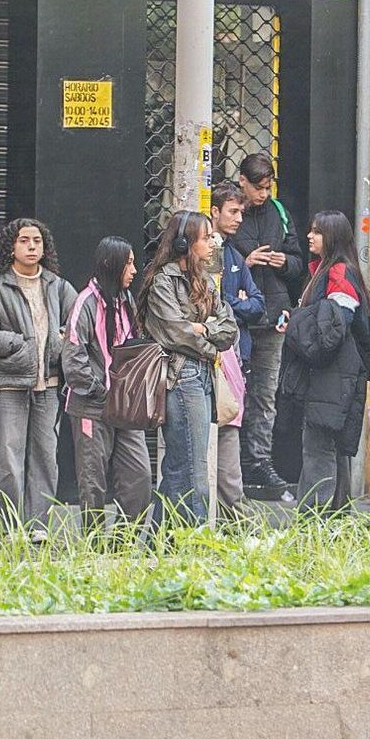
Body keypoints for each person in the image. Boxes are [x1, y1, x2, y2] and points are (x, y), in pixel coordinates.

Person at [0, 218, 77, 542]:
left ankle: (37, 526)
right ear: (12, 246)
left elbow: (78, 326)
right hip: (9, 384)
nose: (32, 246)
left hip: (48, 385)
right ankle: (7, 528)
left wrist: (60, 342)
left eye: (37, 240)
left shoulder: (57, 285)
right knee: (8, 457)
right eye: (24, 240)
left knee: (45, 457)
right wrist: (20, 344)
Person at [140, 211, 238, 526]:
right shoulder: (162, 281)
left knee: (178, 468)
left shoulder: (206, 280)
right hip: (182, 377)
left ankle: (159, 543)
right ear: (185, 242)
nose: (213, 242)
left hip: (205, 374)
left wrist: (202, 330)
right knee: (195, 470)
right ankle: (197, 546)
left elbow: (229, 328)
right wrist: (207, 343)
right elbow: (174, 331)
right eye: (206, 237)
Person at [281, 211, 370, 512]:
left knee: (318, 448)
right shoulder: (330, 270)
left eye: (317, 232)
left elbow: (333, 327)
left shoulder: (337, 272)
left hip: (332, 375)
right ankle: (335, 520)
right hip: (337, 374)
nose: (310, 236)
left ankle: (314, 522)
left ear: (333, 238)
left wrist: (298, 321)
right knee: (333, 449)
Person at [62, 237, 153, 533]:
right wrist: (102, 390)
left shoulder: (125, 301)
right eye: (128, 263)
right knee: (93, 482)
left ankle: (121, 542)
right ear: (111, 265)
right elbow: (73, 360)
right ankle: (93, 547)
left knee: (139, 477)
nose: (135, 270)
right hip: (92, 406)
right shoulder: (84, 303)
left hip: (125, 407)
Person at [230, 154, 305, 500]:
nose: (262, 194)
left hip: (273, 312)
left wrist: (284, 262)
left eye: (267, 187)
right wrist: (243, 264)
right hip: (237, 317)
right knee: (231, 392)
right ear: (242, 181)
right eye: (257, 187)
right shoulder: (230, 212)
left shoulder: (279, 212)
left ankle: (259, 459)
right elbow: (216, 258)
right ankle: (230, 463)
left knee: (264, 394)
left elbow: (298, 260)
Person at [210, 182, 266, 516]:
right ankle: (233, 516)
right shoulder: (209, 254)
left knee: (231, 435)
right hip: (213, 361)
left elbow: (257, 303)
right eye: (233, 211)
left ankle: (230, 515)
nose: (239, 219)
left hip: (237, 358)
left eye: (242, 212)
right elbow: (213, 306)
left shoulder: (233, 254)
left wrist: (233, 305)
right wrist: (234, 303)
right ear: (214, 211)